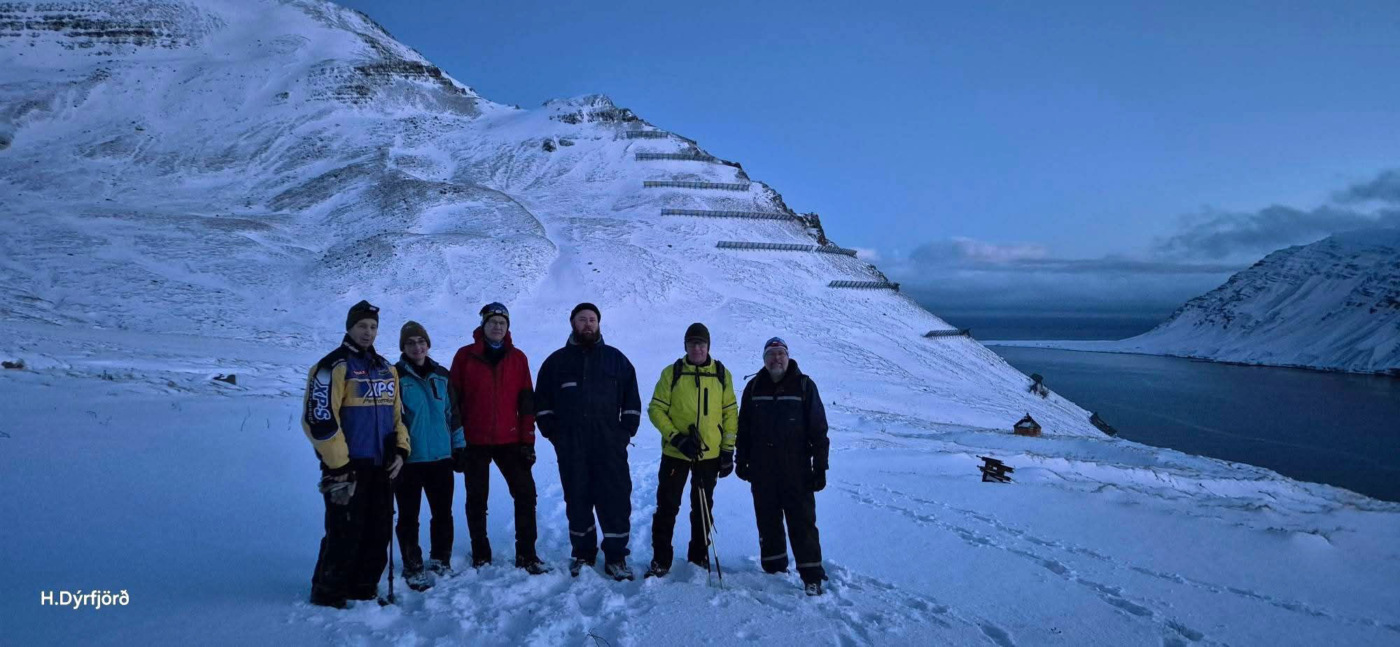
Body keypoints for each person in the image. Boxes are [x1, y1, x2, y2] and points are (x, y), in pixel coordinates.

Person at [301, 300, 410, 608]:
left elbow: (397, 416)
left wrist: (401, 451)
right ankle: (329, 593)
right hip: (346, 468)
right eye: (362, 326)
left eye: (373, 327)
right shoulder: (332, 366)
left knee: (378, 531)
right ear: (349, 327)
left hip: (382, 465)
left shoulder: (386, 368)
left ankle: (364, 588)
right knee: (344, 532)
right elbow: (319, 419)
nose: (368, 332)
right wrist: (339, 463)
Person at [534, 303, 642, 580]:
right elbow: (542, 403)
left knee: (615, 499)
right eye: (582, 319)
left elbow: (631, 399)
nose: (588, 324)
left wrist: (625, 432)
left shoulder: (616, 360)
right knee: (577, 499)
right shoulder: (556, 362)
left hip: (609, 445)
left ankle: (616, 557)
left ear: (599, 324)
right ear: (572, 323)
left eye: (592, 319)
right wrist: (553, 433)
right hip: (572, 446)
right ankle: (583, 554)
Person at [447, 302, 548, 574]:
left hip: (510, 440)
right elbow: (452, 402)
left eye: (502, 323)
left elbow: (527, 401)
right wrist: (456, 442)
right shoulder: (464, 356)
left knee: (526, 494)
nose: (497, 327)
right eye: (493, 322)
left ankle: (526, 553)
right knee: (477, 498)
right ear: (483, 325)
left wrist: (528, 441)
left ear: (508, 327)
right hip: (474, 441)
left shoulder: (518, 358)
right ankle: (481, 553)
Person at [735, 337, 830, 596]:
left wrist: (820, 467)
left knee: (803, 523)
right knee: (768, 522)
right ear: (764, 359)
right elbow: (743, 428)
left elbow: (819, 430)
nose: (776, 359)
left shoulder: (804, 386)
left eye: (781, 354)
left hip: (796, 470)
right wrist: (740, 459)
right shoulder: (753, 388)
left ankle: (811, 575)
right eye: (771, 354)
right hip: (762, 470)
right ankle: (774, 570)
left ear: (788, 357)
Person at [644, 323, 737, 578]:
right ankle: (661, 559)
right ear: (685, 346)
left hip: (709, 456)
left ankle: (698, 557)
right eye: (692, 343)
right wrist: (677, 438)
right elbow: (655, 409)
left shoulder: (721, 373)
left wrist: (727, 450)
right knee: (667, 507)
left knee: (703, 509)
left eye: (702, 343)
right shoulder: (671, 373)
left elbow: (730, 412)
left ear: (708, 346)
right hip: (676, 454)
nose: (697, 348)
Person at [393, 321, 464, 591]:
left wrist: (458, 448)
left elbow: (453, 414)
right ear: (403, 347)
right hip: (409, 460)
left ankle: (440, 559)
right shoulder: (395, 376)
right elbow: (392, 418)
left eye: (421, 341)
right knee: (409, 516)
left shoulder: (441, 375)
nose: (416, 347)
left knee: (443, 513)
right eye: (410, 343)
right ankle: (413, 565)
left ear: (428, 344)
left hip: (441, 458)